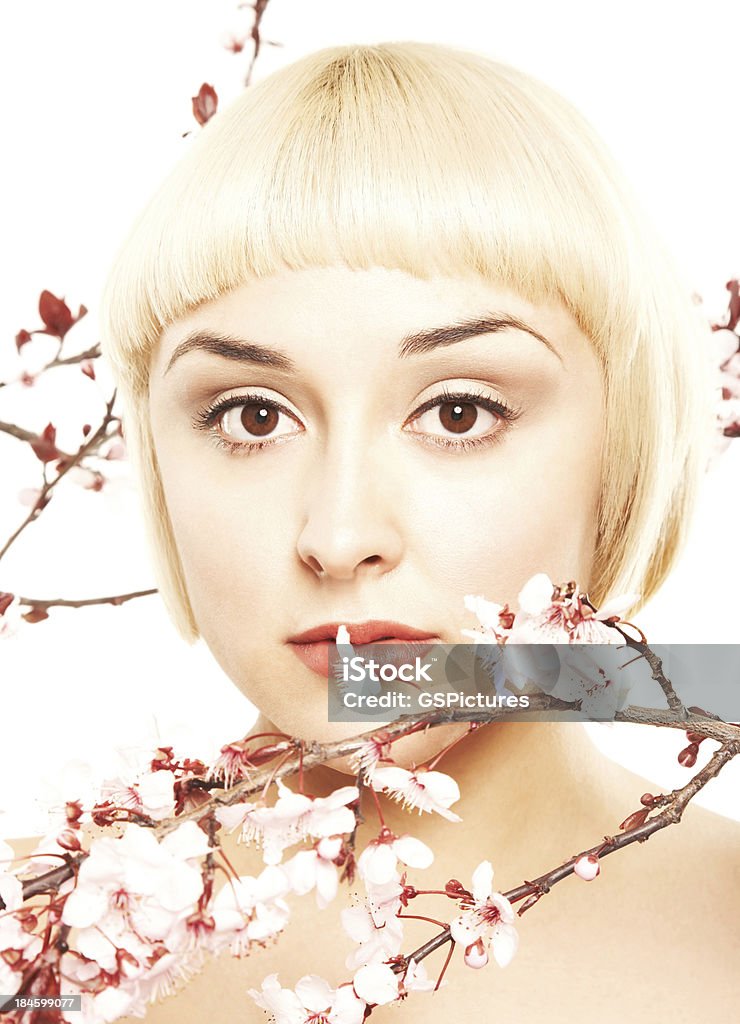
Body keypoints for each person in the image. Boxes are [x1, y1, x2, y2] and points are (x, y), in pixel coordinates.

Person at [91, 41, 738, 1021]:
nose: (340, 534)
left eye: (458, 411)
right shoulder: (43, 936)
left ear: (621, 445)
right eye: (252, 415)